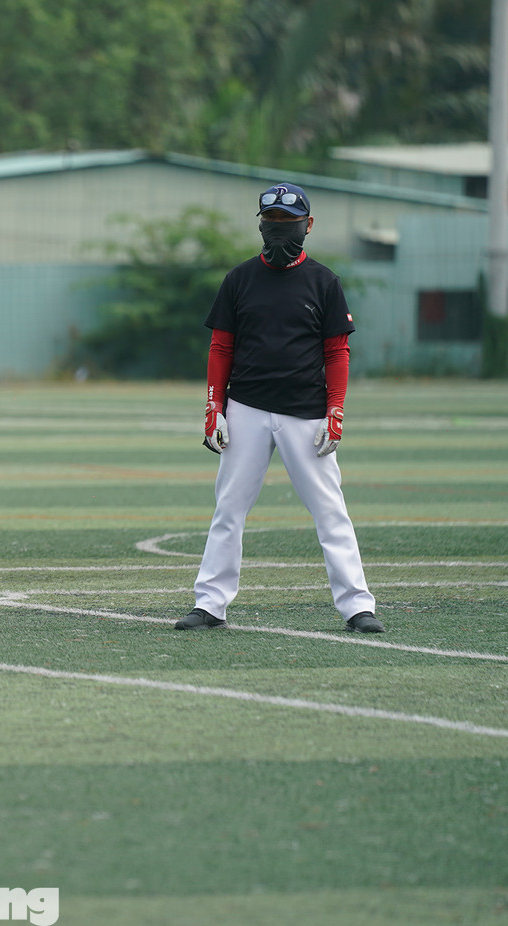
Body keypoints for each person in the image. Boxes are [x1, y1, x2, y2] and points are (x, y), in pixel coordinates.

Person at [176, 182, 382, 634]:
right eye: (271, 224)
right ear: (261, 226)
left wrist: (336, 411)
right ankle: (210, 603)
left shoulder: (324, 282)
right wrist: (214, 408)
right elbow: (220, 347)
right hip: (246, 407)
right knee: (229, 507)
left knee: (330, 511)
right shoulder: (239, 279)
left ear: (308, 226)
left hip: (305, 413)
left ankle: (357, 606)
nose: (280, 232)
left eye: (289, 225)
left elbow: (337, 353)